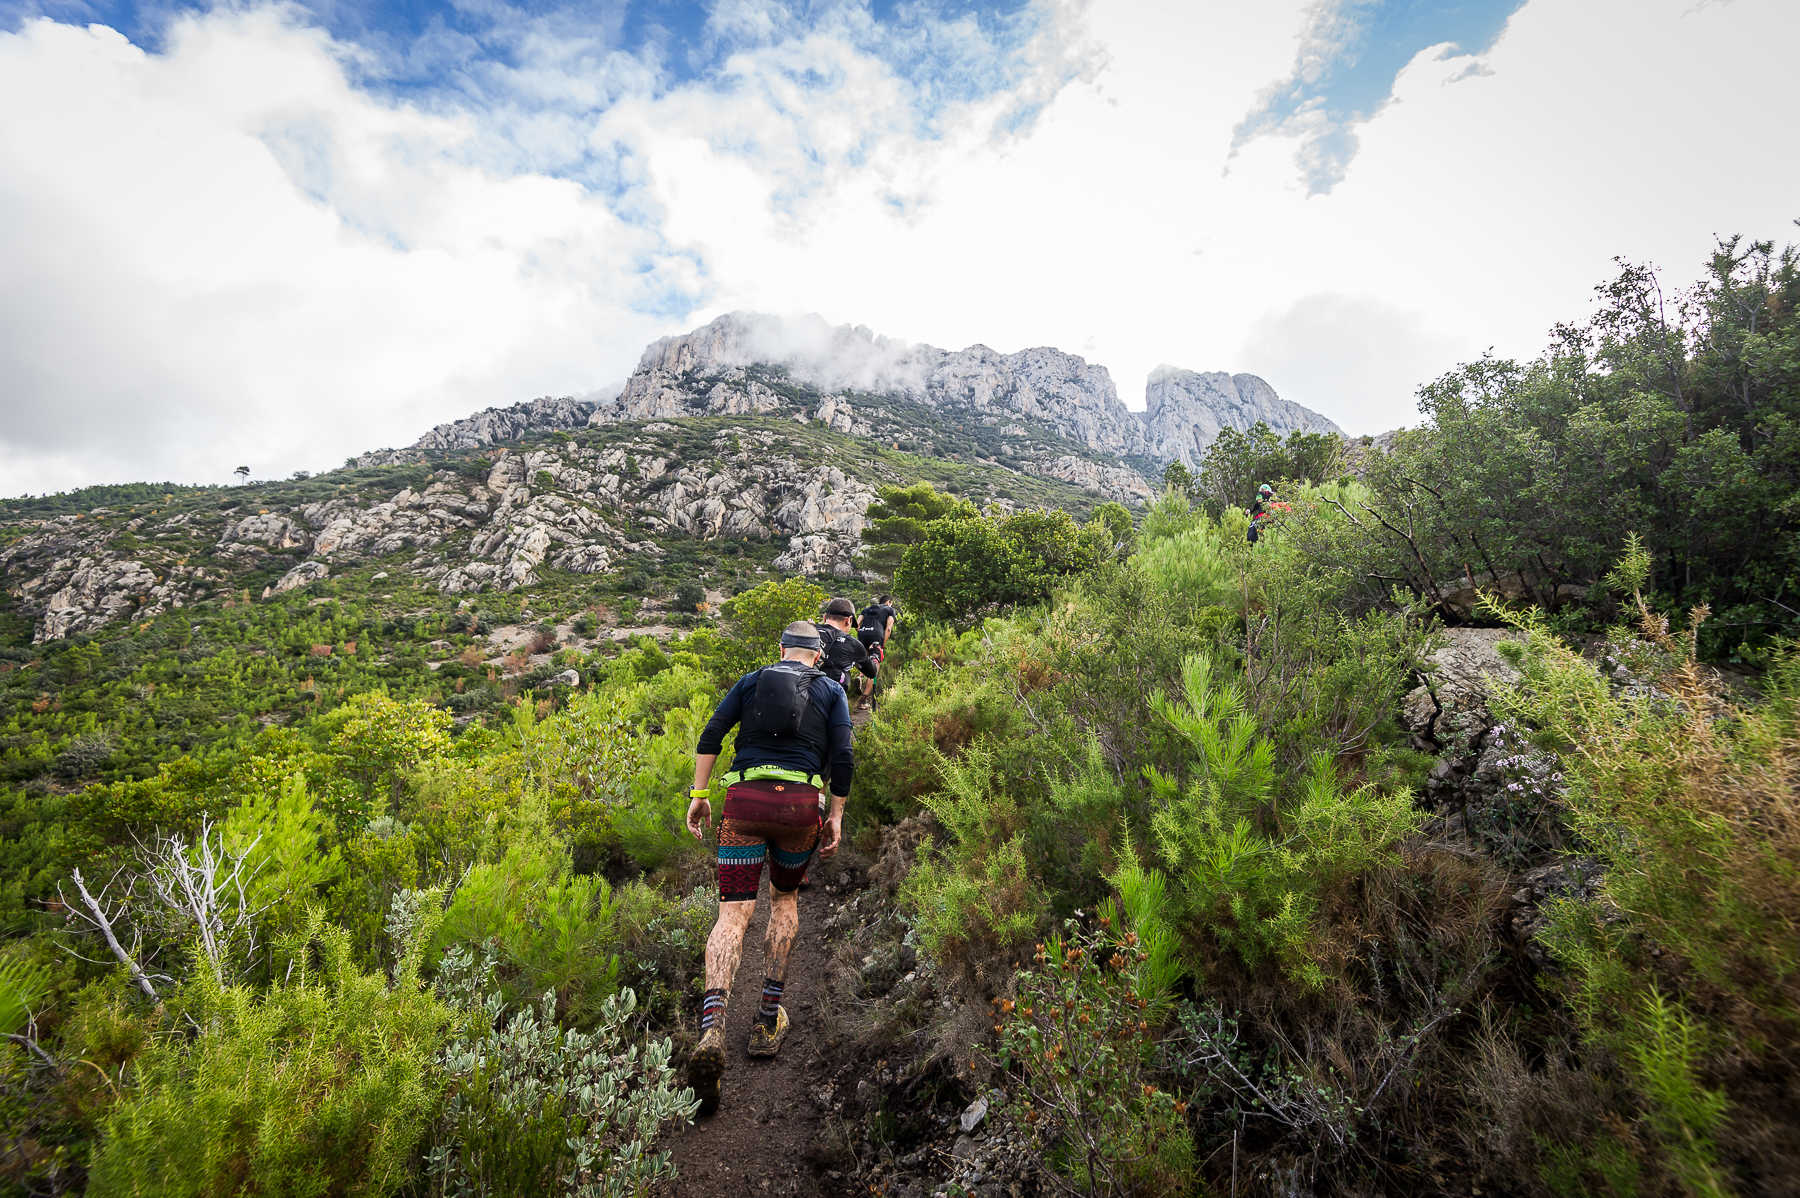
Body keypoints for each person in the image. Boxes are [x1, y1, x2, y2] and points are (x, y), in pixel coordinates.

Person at [683, 621, 853, 1115]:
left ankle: (712, 1027)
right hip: (800, 807)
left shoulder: (752, 679)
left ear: (779, 650)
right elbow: (842, 756)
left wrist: (699, 796)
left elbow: (712, 734)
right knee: (784, 900)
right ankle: (764, 1020)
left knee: (731, 914)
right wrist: (835, 816)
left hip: (745, 802)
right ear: (818, 657)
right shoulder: (829, 689)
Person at [816, 596, 877, 705]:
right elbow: (871, 672)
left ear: (825, 617)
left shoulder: (806, 630)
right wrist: (874, 655)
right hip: (825, 704)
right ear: (848, 620)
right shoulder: (852, 643)